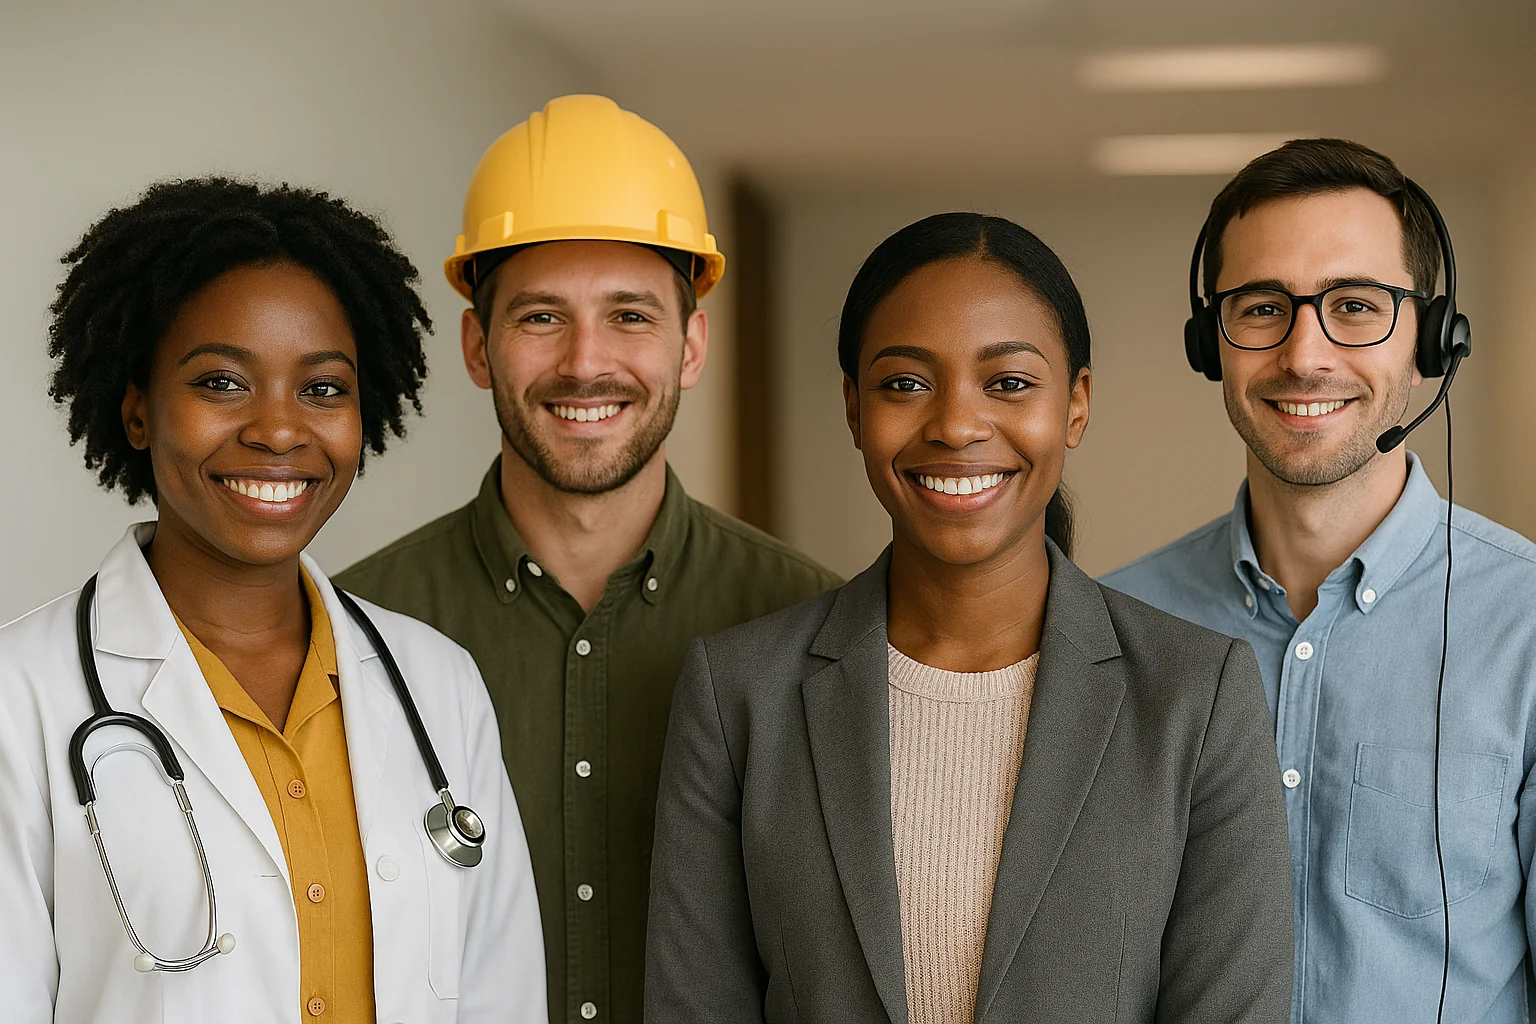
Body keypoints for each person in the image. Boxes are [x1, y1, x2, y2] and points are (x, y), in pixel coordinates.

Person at [645, 212, 1295, 1024]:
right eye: (905, 384)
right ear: (853, 408)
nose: (955, 424)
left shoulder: (1197, 697)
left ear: (1076, 405)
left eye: (1010, 383)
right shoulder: (739, 694)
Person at [335, 94, 839, 1024]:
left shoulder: (812, 627)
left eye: (630, 316)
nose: (585, 363)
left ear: (691, 347)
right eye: (541, 318)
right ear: (477, 347)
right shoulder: (356, 631)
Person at [0, 178, 545, 1023]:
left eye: (323, 389)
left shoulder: (438, 685)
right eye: (222, 382)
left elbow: (501, 999)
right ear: (138, 411)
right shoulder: (20, 698)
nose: (280, 430)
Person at [1102, 138, 1536, 1023]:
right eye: (1263, 307)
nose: (1305, 355)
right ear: (1208, 343)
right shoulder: (1112, 628)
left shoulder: (1525, 624)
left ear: (1432, 338)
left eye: (1355, 306)